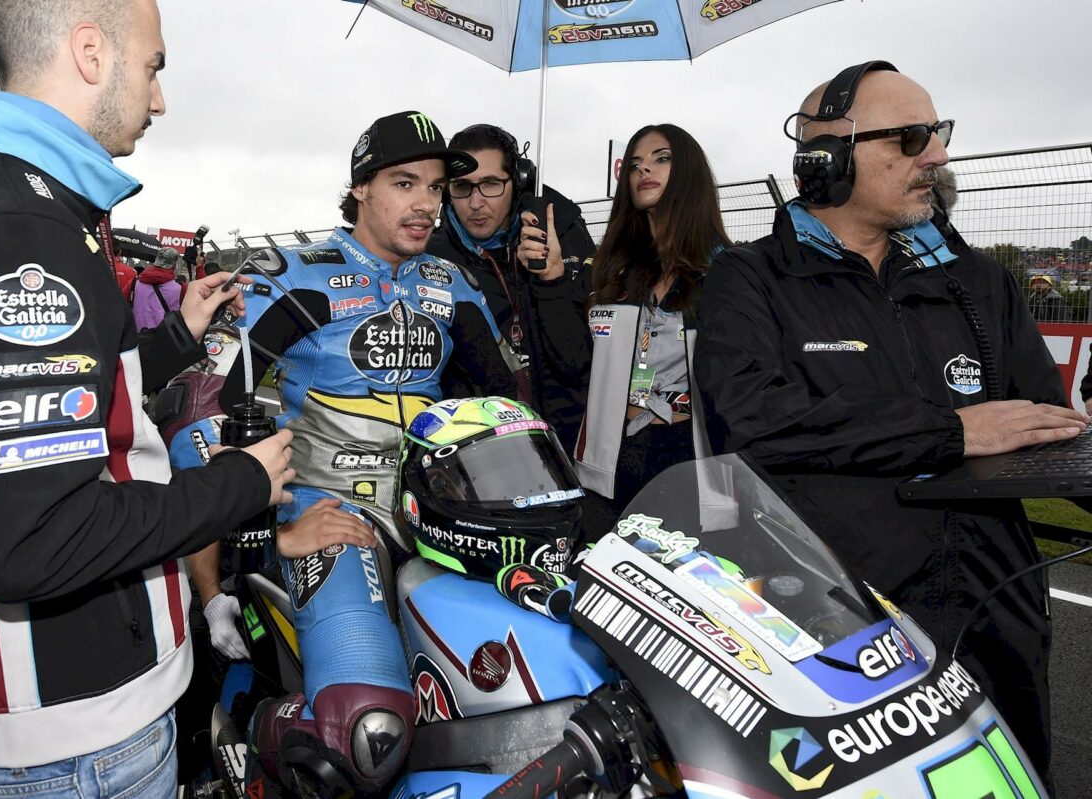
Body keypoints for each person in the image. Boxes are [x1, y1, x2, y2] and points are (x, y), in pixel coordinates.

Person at [0, 1, 300, 795]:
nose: (159, 100)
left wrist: (174, 339)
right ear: (89, 51)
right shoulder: (18, 228)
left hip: (55, 724)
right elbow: (38, 539)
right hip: (73, 739)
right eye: (152, 67)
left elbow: (45, 409)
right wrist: (240, 482)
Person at [694, 61, 1084, 787]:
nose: (936, 156)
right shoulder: (748, 279)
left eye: (937, 134)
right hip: (839, 626)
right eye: (910, 138)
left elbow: (1050, 427)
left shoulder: (978, 281)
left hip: (1000, 618)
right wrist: (952, 431)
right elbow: (759, 418)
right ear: (827, 161)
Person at [162, 110, 517, 796]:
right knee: (369, 731)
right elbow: (191, 410)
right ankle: (245, 748)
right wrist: (261, 541)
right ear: (359, 189)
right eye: (404, 182)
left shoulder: (452, 283)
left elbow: (511, 407)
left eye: (437, 188)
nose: (425, 204)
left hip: (439, 526)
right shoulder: (289, 275)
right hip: (330, 522)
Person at [574, 124, 731, 540]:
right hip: (614, 461)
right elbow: (577, 366)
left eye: (662, 158)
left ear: (689, 171)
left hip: (690, 456)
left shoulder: (728, 271)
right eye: (635, 164)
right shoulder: (612, 268)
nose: (645, 169)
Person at [427, 124, 597, 453]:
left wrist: (553, 282)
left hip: (571, 446)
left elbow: (578, 363)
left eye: (490, 184)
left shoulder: (563, 233)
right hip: (482, 451)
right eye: (462, 187)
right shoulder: (431, 259)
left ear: (518, 181)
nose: (475, 203)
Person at [132, 245, 187, 331]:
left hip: (138, 337)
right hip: (167, 338)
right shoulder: (181, 287)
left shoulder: (134, 283)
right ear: (174, 265)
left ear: (156, 261)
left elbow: (121, 307)